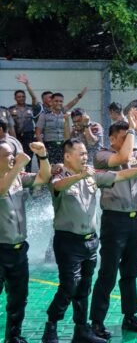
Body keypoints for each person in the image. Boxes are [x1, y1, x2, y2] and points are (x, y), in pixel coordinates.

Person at [41, 139, 137, 343]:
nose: (85, 157)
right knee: (70, 285)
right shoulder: (59, 174)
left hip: (90, 241)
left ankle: (81, 330)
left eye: (86, 153)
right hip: (68, 242)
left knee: (84, 287)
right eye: (81, 153)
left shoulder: (91, 175)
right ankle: (51, 326)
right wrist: (80, 176)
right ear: (67, 156)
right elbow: (57, 186)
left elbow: (120, 175)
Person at [89, 109, 137, 339]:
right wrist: (131, 129)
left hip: (134, 219)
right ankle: (97, 321)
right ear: (112, 139)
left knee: (130, 272)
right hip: (114, 220)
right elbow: (120, 159)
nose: (129, 140)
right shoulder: (102, 155)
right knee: (108, 273)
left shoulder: (134, 153)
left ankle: (130, 316)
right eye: (124, 136)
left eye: (129, 136)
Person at [0, 141, 50, 343]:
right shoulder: (11, 177)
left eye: (13, 154)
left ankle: (13, 337)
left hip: (19, 250)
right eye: (7, 155)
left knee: (19, 298)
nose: (12, 157)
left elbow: (44, 177)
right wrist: (19, 165)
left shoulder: (18, 178)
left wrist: (43, 156)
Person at [9, 75, 38, 170]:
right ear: (15, 98)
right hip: (16, 136)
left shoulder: (30, 108)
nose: (21, 98)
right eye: (19, 97)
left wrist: (27, 84)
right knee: (16, 157)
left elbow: (34, 98)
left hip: (29, 136)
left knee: (28, 157)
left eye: (23, 96)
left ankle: (28, 175)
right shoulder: (10, 109)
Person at [36, 93, 67, 164]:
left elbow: (67, 132)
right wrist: (43, 148)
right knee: (49, 168)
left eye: (61, 101)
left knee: (62, 167)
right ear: (51, 102)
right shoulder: (44, 114)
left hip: (62, 145)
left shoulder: (65, 115)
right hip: (49, 145)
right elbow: (38, 133)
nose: (59, 103)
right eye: (56, 101)